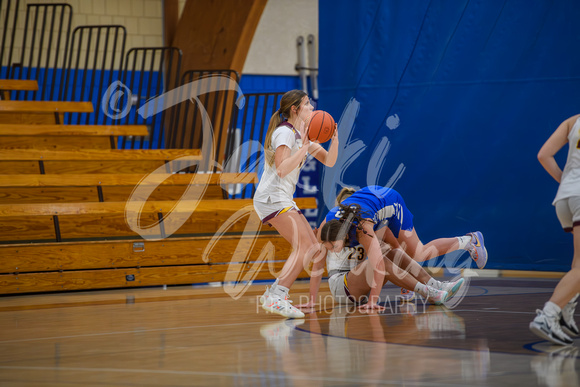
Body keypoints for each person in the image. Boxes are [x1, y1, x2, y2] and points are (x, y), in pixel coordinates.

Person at [298, 186, 486, 311]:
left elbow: (394, 249)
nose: (332, 250)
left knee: (388, 254)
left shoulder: (364, 228)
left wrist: (403, 281)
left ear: (346, 233)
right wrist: (313, 299)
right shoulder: (328, 228)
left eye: (333, 247)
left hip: (359, 279)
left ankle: (435, 286)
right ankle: (428, 291)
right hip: (342, 286)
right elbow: (318, 262)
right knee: (384, 259)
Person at [253, 89, 339, 318]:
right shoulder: (285, 132)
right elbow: (281, 169)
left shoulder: (302, 135)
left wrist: (335, 138)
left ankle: (274, 292)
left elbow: (330, 161)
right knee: (304, 247)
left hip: (281, 198)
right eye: (308, 104)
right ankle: (277, 295)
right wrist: (304, 147)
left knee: (313, 248)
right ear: (295, 109)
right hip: (272, 197)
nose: (312, 108)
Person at [529, 114, 580, 345]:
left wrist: (566, 182)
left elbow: (543, 155)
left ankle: (565, 309)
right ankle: (549, 315)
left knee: (578, 265)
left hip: (565, 197)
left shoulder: (573, 120)